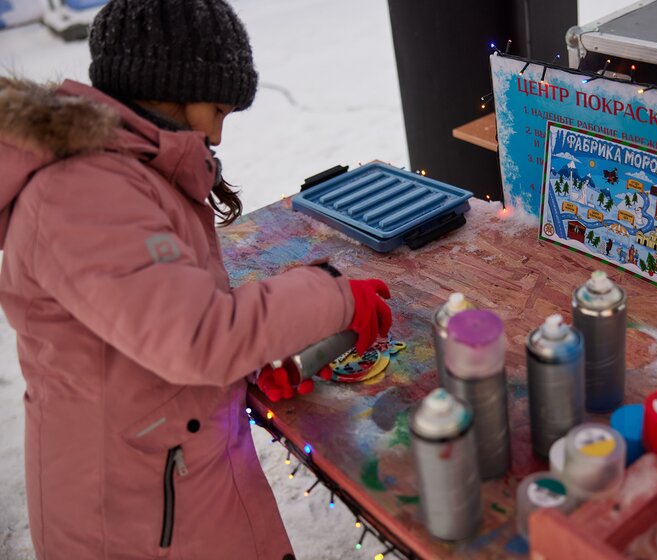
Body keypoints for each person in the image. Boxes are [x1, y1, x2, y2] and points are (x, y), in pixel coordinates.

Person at [0, 0, 391, 558]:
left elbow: (150, 320)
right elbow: (196, 337)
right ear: (168, 87)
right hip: (131, 521)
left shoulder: (121, 172)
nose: (219, 135)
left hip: (170, 482)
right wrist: (333, 297)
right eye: (218, 110)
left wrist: (252, 362)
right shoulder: (83, 191)